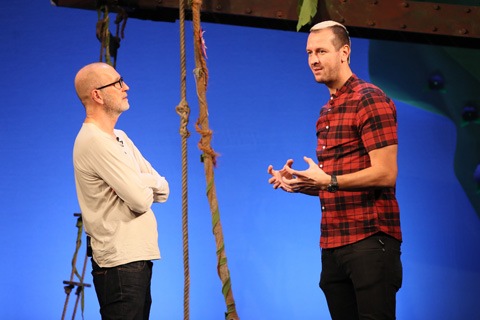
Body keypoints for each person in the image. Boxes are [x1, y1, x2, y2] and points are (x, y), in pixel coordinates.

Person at [267, 21, 402, 319]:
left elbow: (385, 173)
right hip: (333, 244)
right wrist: (302, 183)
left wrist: (328, 180)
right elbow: (336, 182)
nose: (313, 60)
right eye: (309, 53)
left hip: (369, 239)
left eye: (321, 51)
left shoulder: (369, 98)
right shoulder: (326, 111)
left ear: (344, 52)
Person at [73, 62, 170, 320]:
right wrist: (143, 182)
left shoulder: (120, 138)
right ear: (97, 95)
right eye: (117, 82)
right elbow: (139, 200)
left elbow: (164, 189)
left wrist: (138, 180)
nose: (125, 86)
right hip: (119, 264)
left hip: (136, 258)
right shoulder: (94, 141)